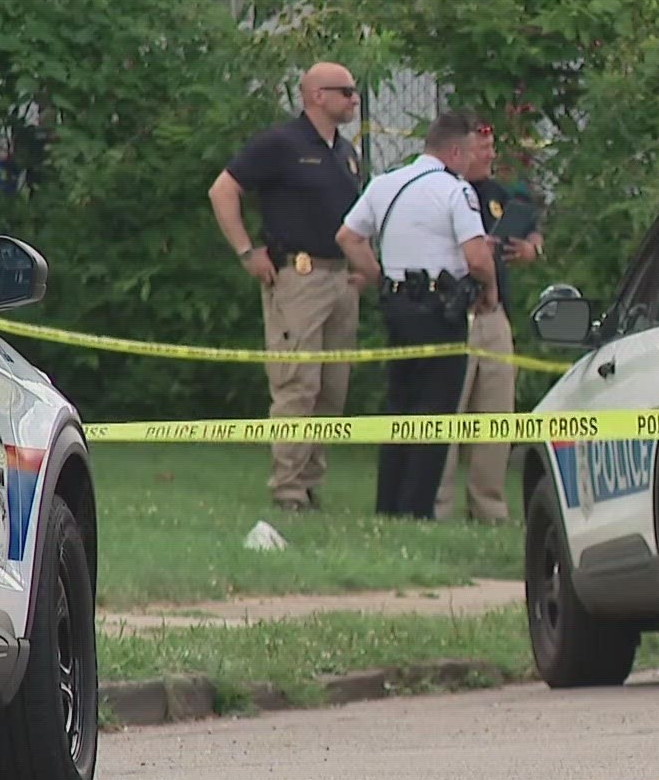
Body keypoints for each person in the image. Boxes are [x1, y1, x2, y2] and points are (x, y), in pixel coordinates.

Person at [208, 61, 363, 513]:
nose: (354, 99)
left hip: (340, 277)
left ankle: (311, 481)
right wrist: (245, 251)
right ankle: (288, 488)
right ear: (317, 95)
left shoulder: (346, 152)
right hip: (299, 277)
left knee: (333, 389)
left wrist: (360, 266)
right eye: (347, 91)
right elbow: (223, 190)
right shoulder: (281, 143)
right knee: (297, 384)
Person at [335, 111, 500, 520]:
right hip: (439, 311)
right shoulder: (454, 191)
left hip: (397, 307)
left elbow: (348, 237)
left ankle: (388, 507)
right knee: (434, 412)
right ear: (456, 151)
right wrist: (491, 291)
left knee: (400, 405)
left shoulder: (385, 184)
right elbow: (477, 258)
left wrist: (381, 277)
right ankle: (416, 510)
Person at [435, 126, 544, 524]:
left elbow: (532, 221)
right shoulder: (441, 190)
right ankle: (439, 505)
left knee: (496, 408)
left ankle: (489, 507)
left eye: (491, 147)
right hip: (453, 308)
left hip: (493, 311)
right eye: (482, 148)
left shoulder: (501, 195)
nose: (489, 155)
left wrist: (531, 244)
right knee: (449, 409)